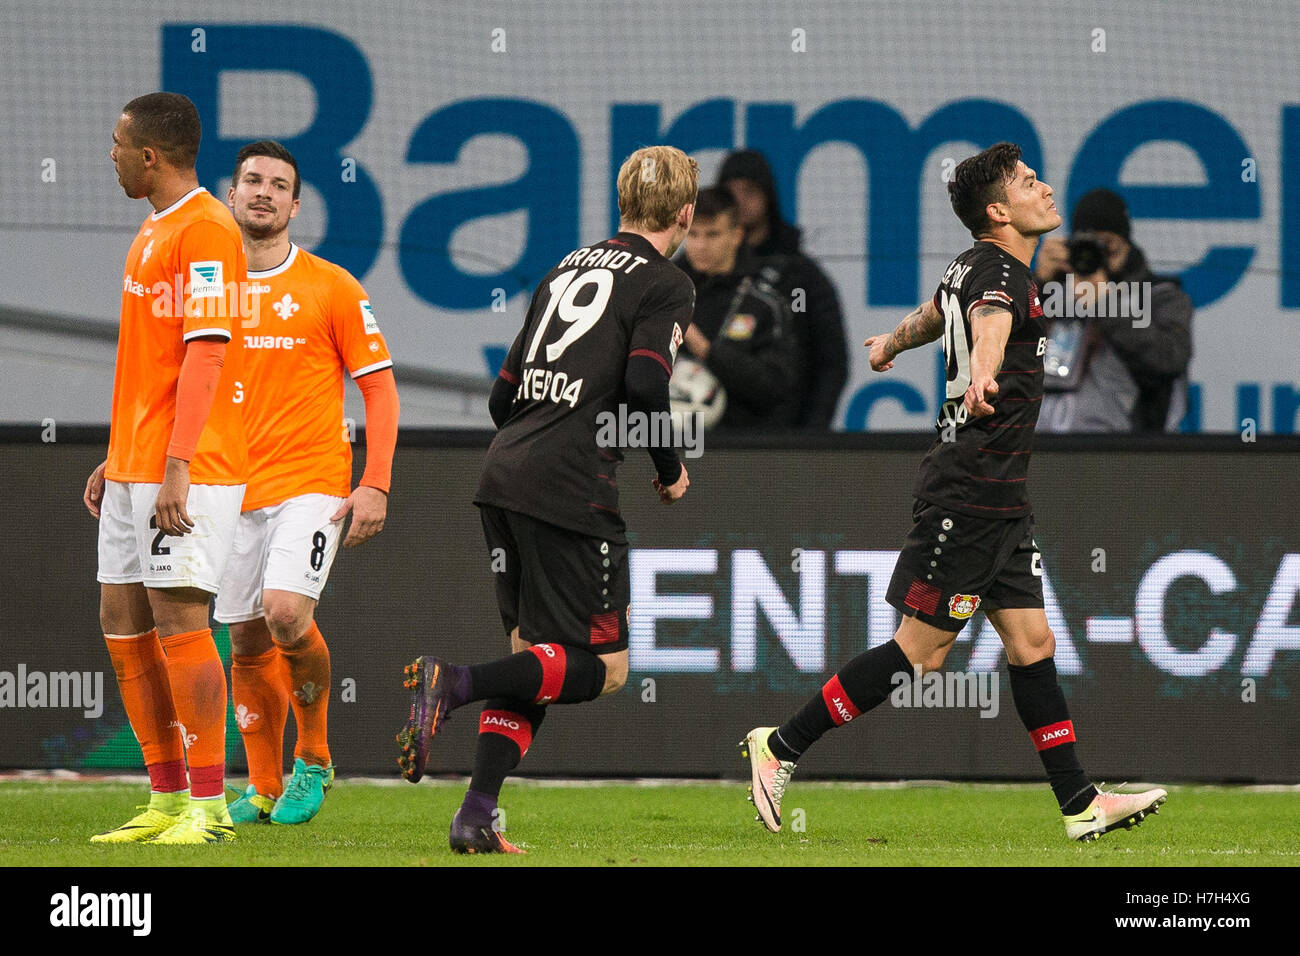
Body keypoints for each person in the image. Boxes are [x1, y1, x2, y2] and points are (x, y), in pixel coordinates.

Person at [740, 142, 1167, 843]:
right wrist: (986, 373)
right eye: (1030, 182)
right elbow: (990, 322)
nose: (1046, 187)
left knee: (1032, 642)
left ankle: (1080, 803)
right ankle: (780, 747)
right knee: (923, 652)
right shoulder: (1004, 274)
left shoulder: (973, 262)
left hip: (999, 496)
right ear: (999, 210)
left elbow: (942, 310)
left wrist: (892, 344)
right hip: (970, 492)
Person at [397, 145, 697, 853]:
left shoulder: (565, 266)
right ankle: (454, 682)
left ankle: (476, 815)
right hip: (569, 485)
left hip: (504, 474)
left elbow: (504, 396)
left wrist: (538, 442)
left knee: (535, 655)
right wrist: (670, 468)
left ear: (622, 203)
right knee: (607, 668)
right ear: (686, 213)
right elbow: (649, 385)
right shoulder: (667, 283)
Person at [214, 141, 400, 825]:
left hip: (311, 481)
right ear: (231, 196)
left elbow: (379, 392)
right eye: (251, 181)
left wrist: (374, 482)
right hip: (226, 487)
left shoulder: (333, 287)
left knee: (286, 613)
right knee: (244, 639)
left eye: (278, 185)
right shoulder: (208, 285)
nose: (263, 193)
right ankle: (262, 786)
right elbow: (172, 383)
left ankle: (314, 759)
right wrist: (121, 456)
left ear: (296, 204)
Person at [82, 92, 248, 844]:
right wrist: (117, 457)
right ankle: (167, 798)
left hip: (189, 464)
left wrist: (176, 462)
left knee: (182, 621)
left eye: (117, 143)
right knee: (123, 624)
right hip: (136, 463)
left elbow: (207, 351)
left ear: (150, 155)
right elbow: (153, 365)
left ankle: (210, 808)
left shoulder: (209, 229)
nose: (110, 154)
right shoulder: (154, 231)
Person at [1036, 188, 1193, 432]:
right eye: (1088, 246)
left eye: (1107, 245)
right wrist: (1039, 284)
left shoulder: (1159, 296)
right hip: (1042, 447)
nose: (1097, 256)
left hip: (1122, 451)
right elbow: (1005, 355)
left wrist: (1105, 303)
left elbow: (1168, 360)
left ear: (1127, 244)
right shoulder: (1054, 292)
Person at [717, 149, 848, 429]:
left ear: (768, 197)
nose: (740, 202)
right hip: (710, 434)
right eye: (731, 193)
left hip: (782, 433)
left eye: (749, 191)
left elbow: (832, 361)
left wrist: (811, 433)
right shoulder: (698, 273)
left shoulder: (802, 275)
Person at [677, 186, 800, 429]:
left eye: (712, 235)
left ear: (737, 235)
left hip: (738, 446)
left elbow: (776, 386)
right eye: (693, 234)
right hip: (663, 441)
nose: (700, 245)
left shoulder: (764, 303)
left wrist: (705, 350)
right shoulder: (662, 291)